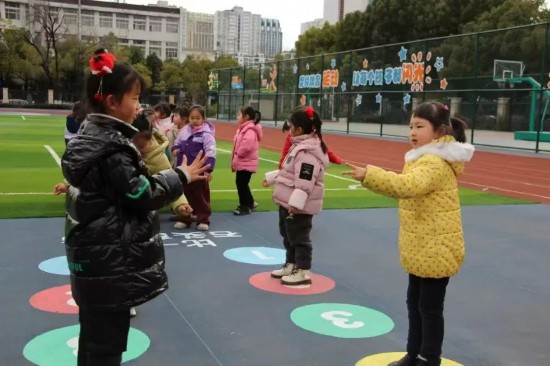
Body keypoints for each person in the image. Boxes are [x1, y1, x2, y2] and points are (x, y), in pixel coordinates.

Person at [61, 49, 209, 366]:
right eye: (134, 98)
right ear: (112, 101)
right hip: (110, 261)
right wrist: (180, 175)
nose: (139, 106)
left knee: (93, 338)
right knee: (107, 347)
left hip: (95, 259)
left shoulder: (91, 137)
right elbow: (141, 194)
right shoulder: (113, 148)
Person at [342, 101, 475, 366]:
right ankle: (414, 353)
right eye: (411, 126)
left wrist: (370, 175)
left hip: (436, 249)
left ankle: (429, 358)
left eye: (420, 126)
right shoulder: (422, 158)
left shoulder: (434, 162)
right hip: (422, 247)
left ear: (438, 131)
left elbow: (408, 186)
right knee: (415, 304)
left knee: (429, 309)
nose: (413, 132)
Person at [262, 106, 328, 286]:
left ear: (298, 129)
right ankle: (291, 264)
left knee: (299, 238)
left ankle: (303, 270)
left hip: (298, 206)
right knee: (288, 234)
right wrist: (272, 178)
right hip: (288, 202)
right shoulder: (299, 147)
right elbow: (288, 171)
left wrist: (296, 204)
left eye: (291, 127)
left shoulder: (307, 153)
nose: (289, 130)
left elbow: (305, 182)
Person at [172, 105, 216, 230]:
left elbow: (211, 152)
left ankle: (203, 219)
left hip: (199, 172)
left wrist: (208, 169)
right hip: (184, 171)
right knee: (184, 195)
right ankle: (184, 219)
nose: (194, 120)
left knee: (200, 196)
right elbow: (177, 143)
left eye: (198, 118)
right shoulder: (184, 131)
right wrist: (175, 149)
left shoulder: (206, 134)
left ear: (203, 119)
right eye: (192, 118)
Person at [231, 106, 262, 215]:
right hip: (244, 162)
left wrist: (239, 153)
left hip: (245, 162)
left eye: (240, 114)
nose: (238, 117)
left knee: (241, 183)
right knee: (242, 183)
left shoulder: (249, 130)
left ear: (246, 117)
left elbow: (247, 146)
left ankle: (244, 206)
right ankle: (250, 202)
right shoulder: (244, 128)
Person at [278, 119, 343, 169]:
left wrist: (338, 160)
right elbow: (326, 150)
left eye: (291, 127)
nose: (290, 131)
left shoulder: (314, 136)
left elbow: (326, 150)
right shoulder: (314, 136)